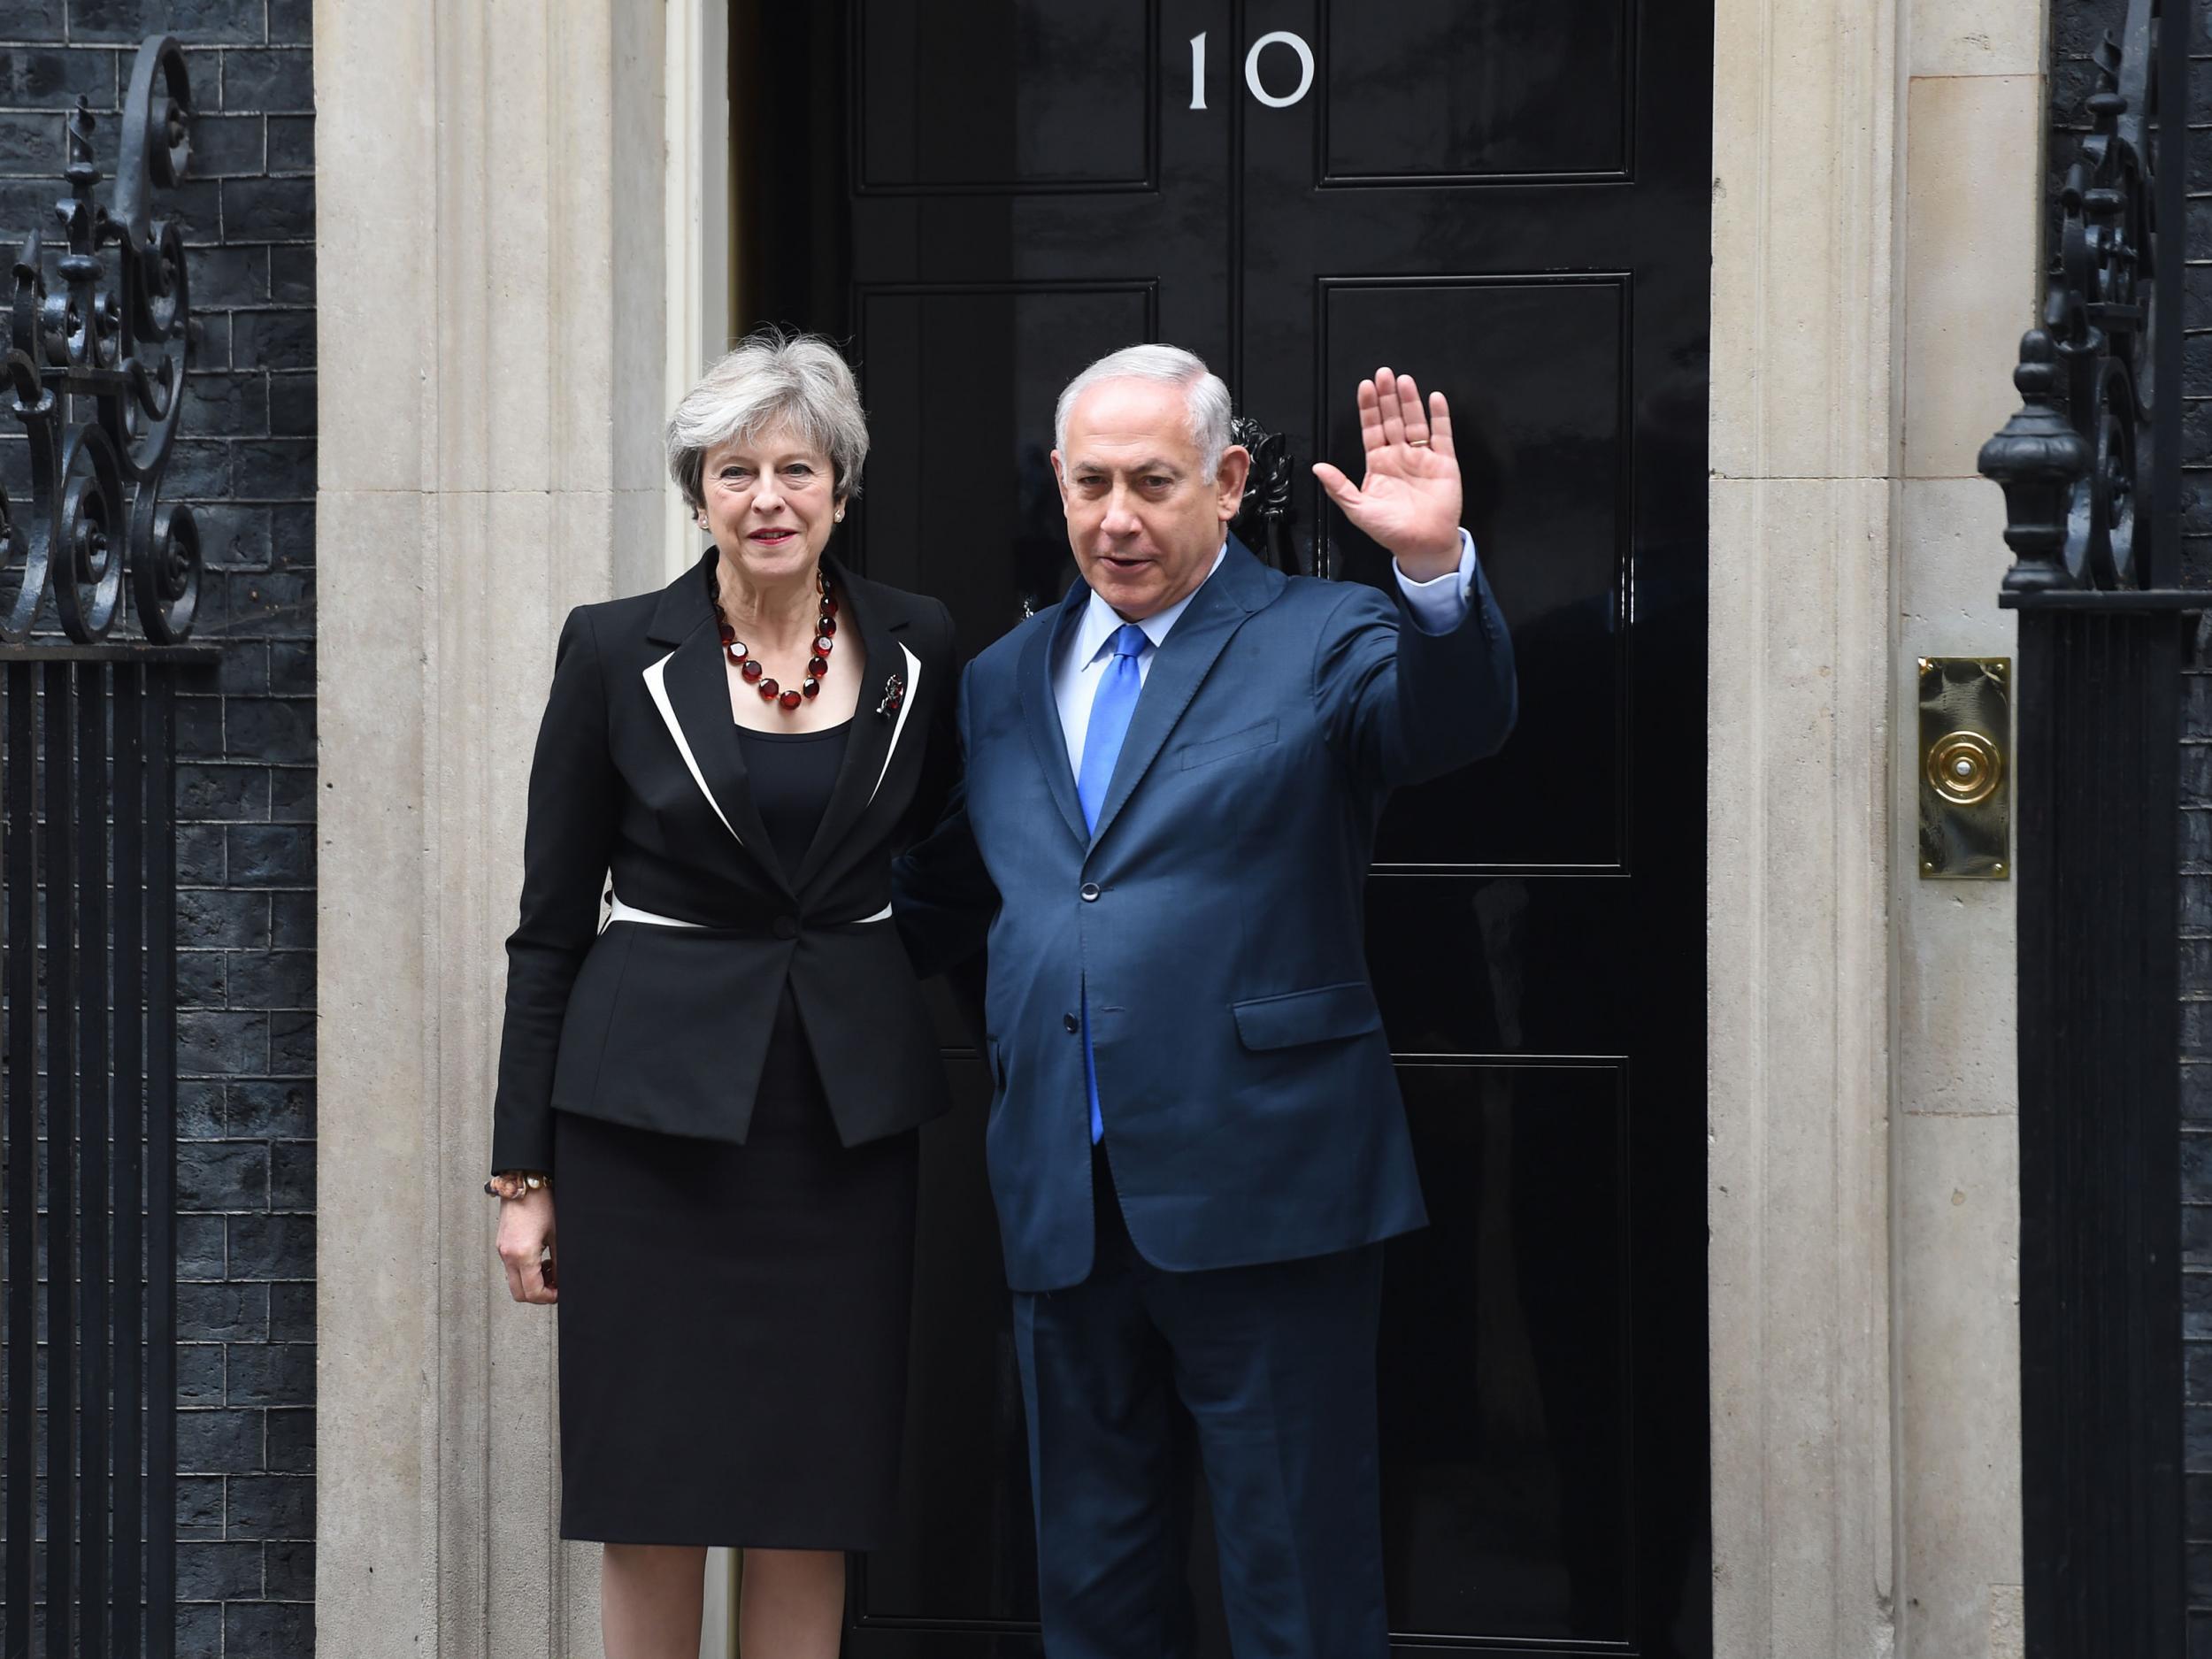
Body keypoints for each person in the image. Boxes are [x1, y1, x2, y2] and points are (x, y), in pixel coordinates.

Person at [895, 344, 1516, 1657]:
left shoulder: (1324, 636)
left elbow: (1448, 726)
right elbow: (964, 891)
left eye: (1156, 483)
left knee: (1298, 1583)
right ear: (1056, 485)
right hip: (1065, 1193)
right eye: (1092, 485)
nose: (1117, 519)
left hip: (1270, 1189)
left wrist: (1431, 574)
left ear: (1229, 483)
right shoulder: (1007, 679)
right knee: (1097, 1590)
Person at [488, 327, 959, 1659]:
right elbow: (546, 928)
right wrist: (522, 1176)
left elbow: (967, 856)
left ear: (841, 489)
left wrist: (868, 965)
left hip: (840, 1131)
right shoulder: (611, 651)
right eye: (736, 470)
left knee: (814, 1491)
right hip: (646, 1132)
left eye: (796, 468)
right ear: (698, 492)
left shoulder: (922, 643)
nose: (768, 498)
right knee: (656, 1489)